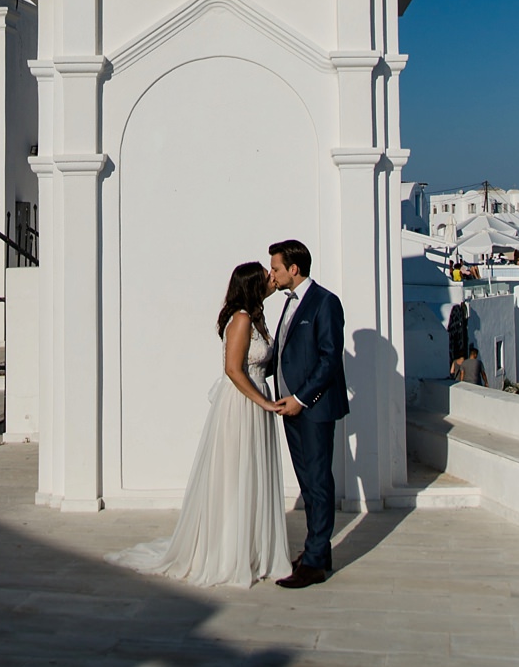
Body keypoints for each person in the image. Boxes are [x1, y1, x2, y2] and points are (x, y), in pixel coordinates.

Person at [108, 261, 289, 587]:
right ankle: (227, 552)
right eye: (266, 276)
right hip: (242, 405)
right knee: (236, 475)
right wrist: (262, 401)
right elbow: (233, 370)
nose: (272, 278)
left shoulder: (257, 319)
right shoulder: (242, 320)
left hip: (257, 401)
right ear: (252, 285)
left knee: (252, 475)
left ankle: (252, 548)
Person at [268, 237, 349, 589]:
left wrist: (300, 398)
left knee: (317, 482)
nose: (272, 275)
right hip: (290, 407)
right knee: (308, 482)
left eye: (275, 268)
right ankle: (319, 550)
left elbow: (330, 357)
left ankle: (314, 562)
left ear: (293, 269)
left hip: (312, 408)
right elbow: (284, 352)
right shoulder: (289, 303)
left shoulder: (325, 302)